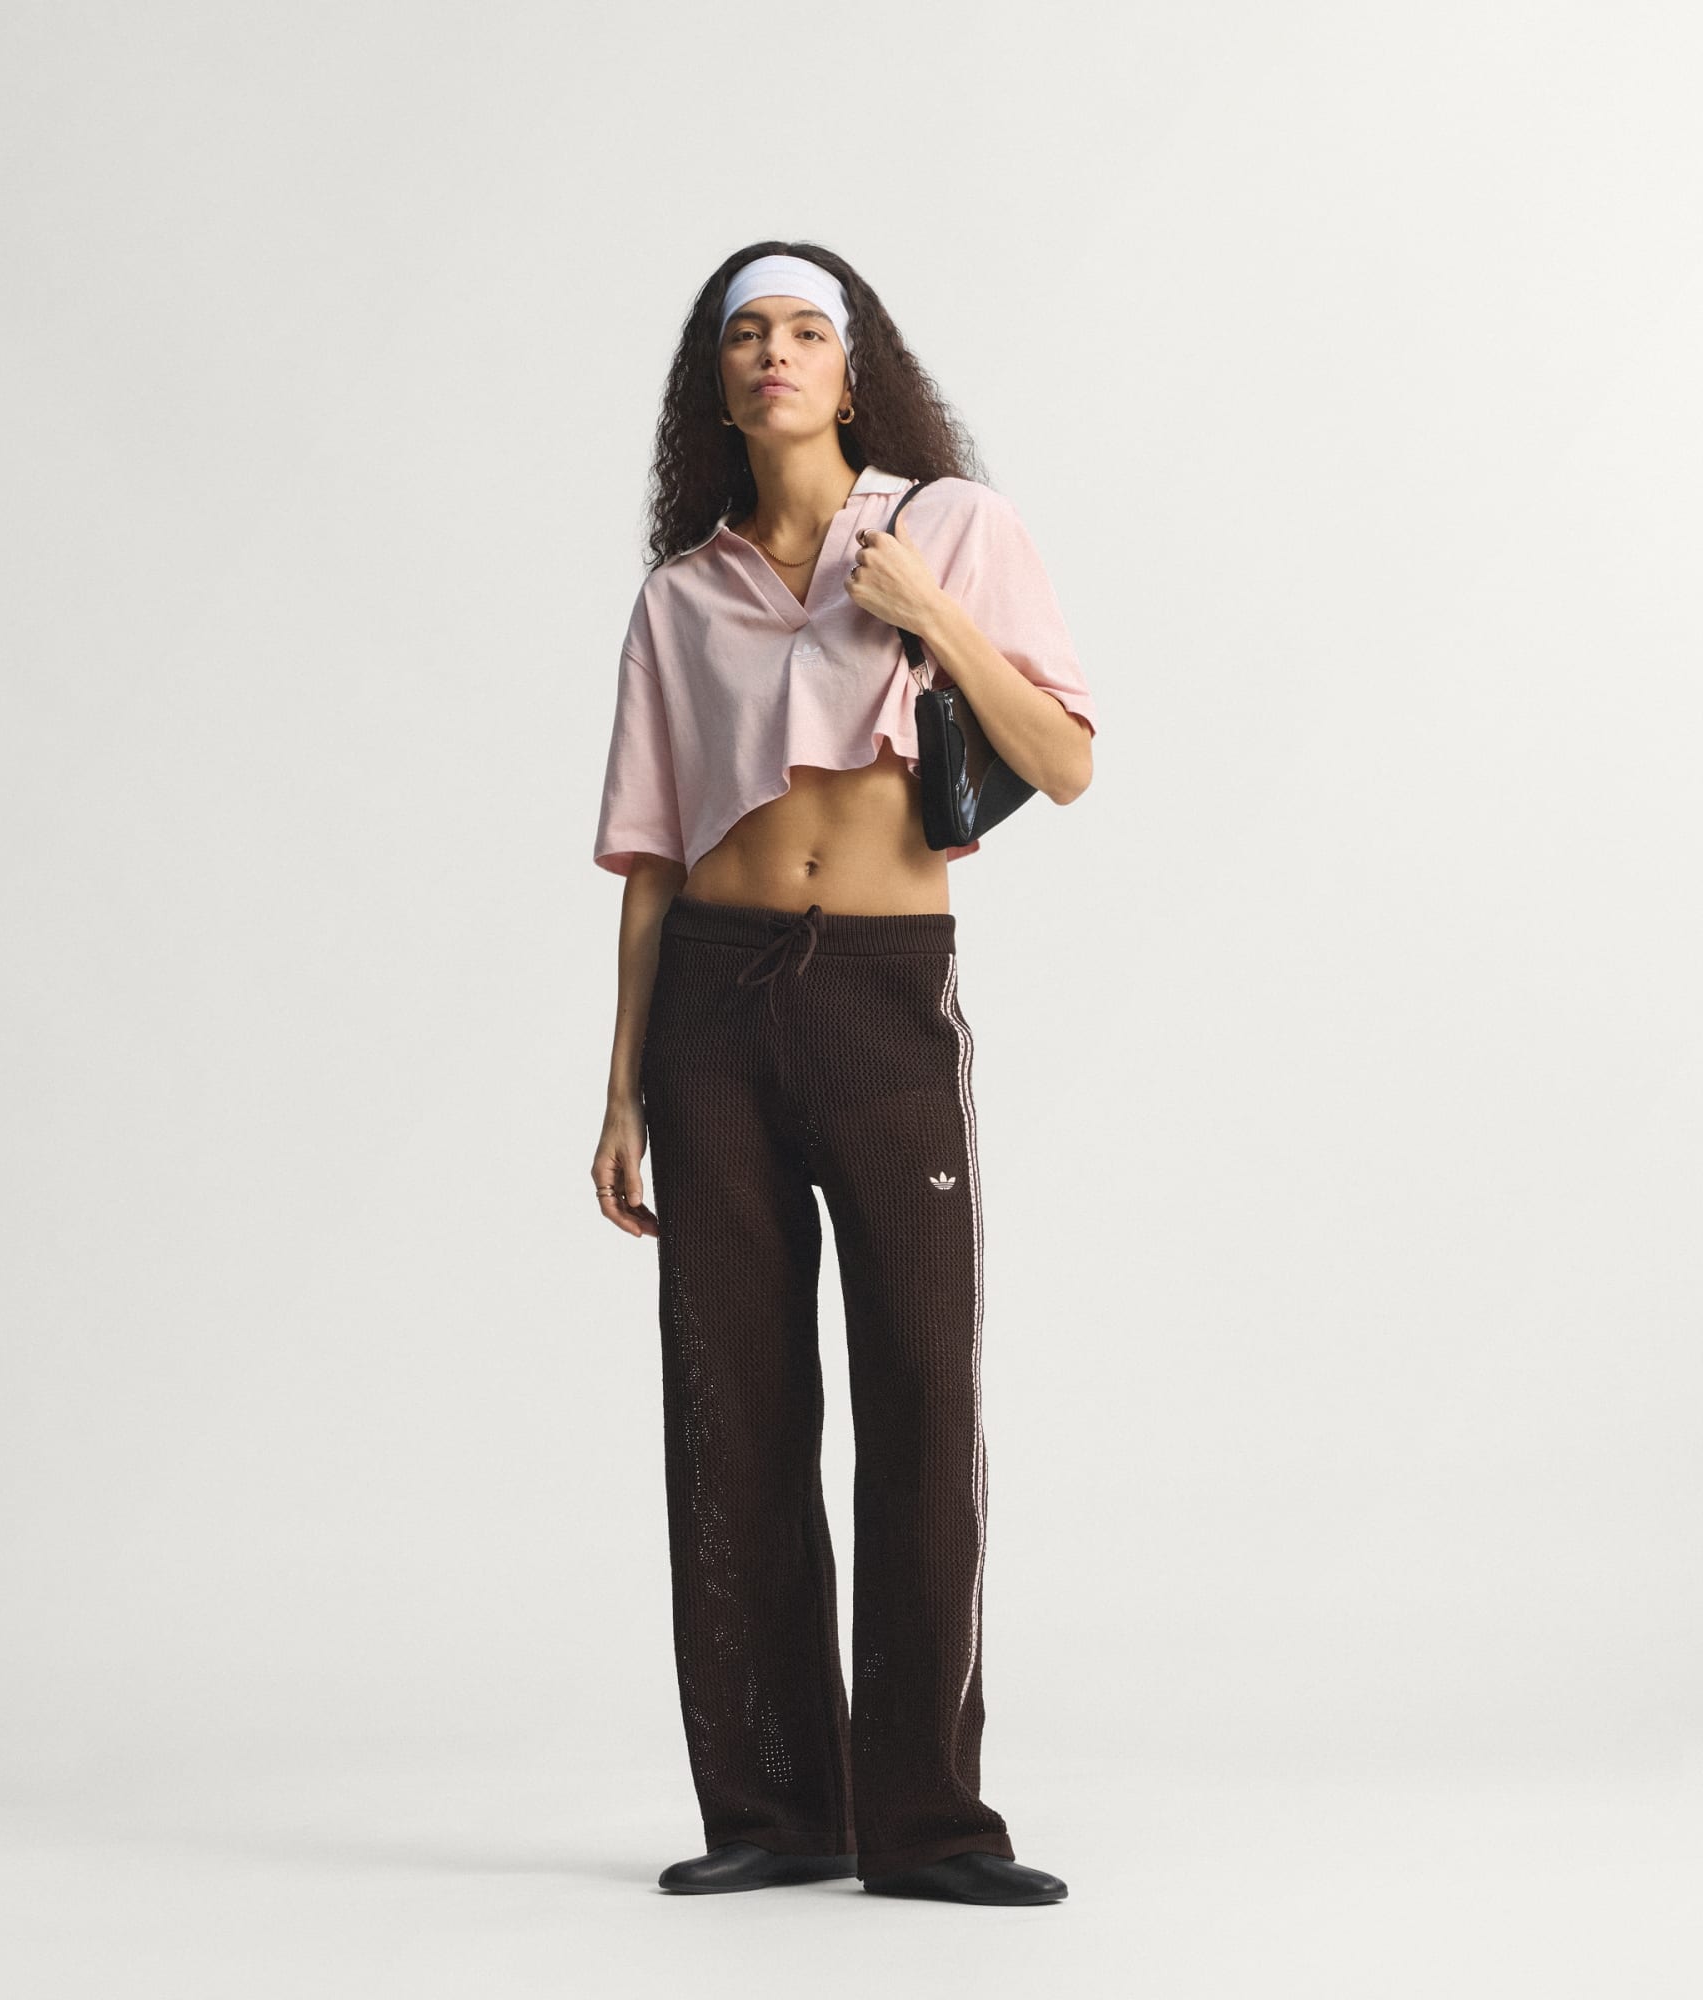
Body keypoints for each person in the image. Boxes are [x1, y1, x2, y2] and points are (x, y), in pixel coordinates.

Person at [590, 244, 1098, 1907]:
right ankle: (776, 1809)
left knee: (921, 1399)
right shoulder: (682, 597)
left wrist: (929, 612)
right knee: (729, 1409)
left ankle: (927, 1825)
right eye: (746, 335)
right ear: (717, 386)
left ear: (854, 368)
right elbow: (652, 860)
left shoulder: (955, 526)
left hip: (882, 1001)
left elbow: (1067, 763)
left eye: (808, 329)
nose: (776, 354)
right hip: (714, 1009)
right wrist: (621, 1091)